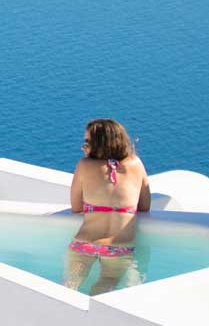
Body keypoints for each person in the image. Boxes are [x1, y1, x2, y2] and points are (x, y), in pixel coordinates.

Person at [62, 118, 151, 295]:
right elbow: (144, 206)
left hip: (83, 244)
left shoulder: (84, 165)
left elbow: (76, 207)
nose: (83, 147)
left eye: (87, 143)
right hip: (118, 248)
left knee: (68, 287)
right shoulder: (136, 165)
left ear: (101, 144)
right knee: (105, 287)